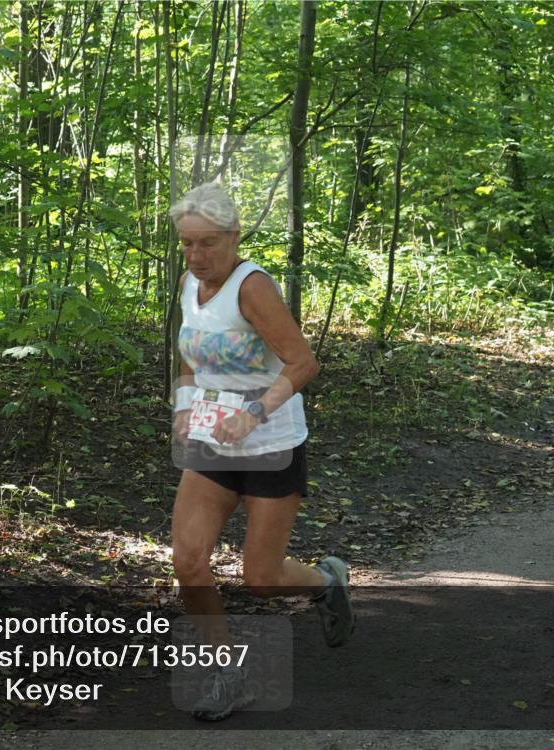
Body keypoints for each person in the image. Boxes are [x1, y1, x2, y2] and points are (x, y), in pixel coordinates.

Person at [168, 181, 354, 722]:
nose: (197, 256)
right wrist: (184, 407)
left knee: (261, 578)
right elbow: (190, 361)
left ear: (234, 237)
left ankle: (327, 582)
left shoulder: (253, 288)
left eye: (208, 243)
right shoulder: (188, 285)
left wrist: (252, 412)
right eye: (187, 244)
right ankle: (227, 672)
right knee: (189, 562)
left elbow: (303, 364)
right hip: (210, 445)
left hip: (271, 446)